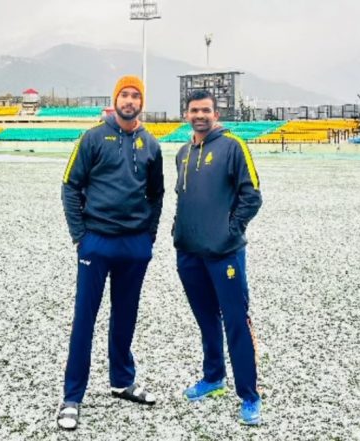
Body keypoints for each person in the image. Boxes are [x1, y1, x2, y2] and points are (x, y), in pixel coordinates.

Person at [57, 75, 165, 430]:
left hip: (133, 245)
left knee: (125, 316)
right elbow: (70, 185)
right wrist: (80, 236)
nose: (130, 100)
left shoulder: (151, 144)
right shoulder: (92, 138)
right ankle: (72, 397)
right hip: (96, 241)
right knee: (85, 318)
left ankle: (121, 381)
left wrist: (148, 237)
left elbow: (156, 194)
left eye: (136, 95)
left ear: (141, 103)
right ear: (115, 98)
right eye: (125, 94)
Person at [173, 90, 264, 425]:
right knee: (206, 320)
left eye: (206, 110)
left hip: (224, 254)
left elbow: (252, 195)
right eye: (195, 110)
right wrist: (177, 232)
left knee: (236, 321)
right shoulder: (183, 153)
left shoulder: (233, 147)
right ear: (186, 114)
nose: (200, 115)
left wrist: (230, 231)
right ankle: (213, 378)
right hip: (189, 253)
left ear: (215, 112)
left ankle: (250, 396)